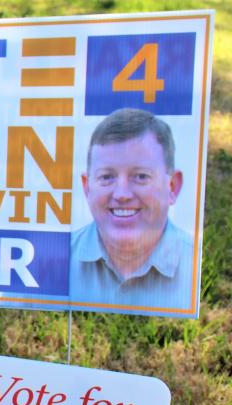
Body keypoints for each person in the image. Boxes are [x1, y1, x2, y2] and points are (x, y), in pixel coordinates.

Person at [70, 108, 194, 311]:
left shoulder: (197, 269)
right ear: (87, 187)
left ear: (172, 187)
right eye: (106, 177)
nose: (122, 194)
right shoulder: (51, 263)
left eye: (141, 176)